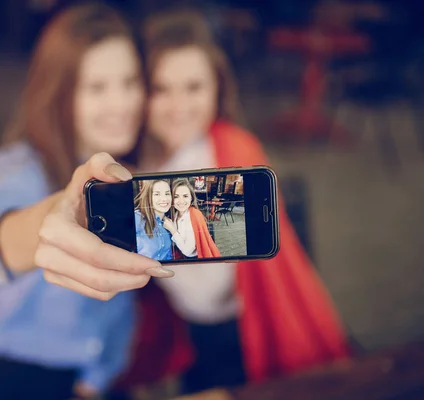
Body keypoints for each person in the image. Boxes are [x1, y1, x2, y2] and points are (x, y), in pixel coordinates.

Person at [0, 5, 179, 399]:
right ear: (60, 93)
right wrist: (45, 223)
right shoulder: (22, 168)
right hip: (16, 373)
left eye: (130, 82)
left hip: (98, 376)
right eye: (96, 88)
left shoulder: (136, 172)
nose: (122, 103)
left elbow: (119, 311)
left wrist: (95, 379)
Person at [139, 8, 351, 395]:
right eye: (160, 89)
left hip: (239, 331)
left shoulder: (234, 150)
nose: (178, 105)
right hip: (184, 336)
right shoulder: (138, 163)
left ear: (218, 88)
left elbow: (224, 280)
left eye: (194, 87)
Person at [164, 178, 220, 260]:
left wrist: (172, 229)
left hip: (195, 259)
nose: (181, 201)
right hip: (181, 257)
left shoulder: (194, 215)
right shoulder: (176, 214)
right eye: (176, 196)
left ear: (191, 198)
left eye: (185, 196)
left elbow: (187, 251)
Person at [134, 179, 174, 261]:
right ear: (148, 197)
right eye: (157, 194)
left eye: (167, 193)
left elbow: (168, 256)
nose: (164, 199)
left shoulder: (167, 224)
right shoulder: (137, 218)